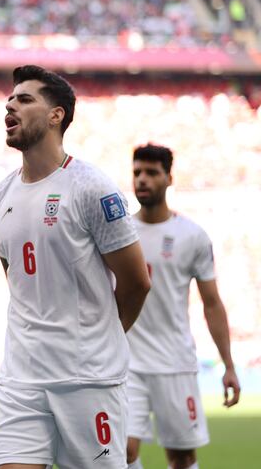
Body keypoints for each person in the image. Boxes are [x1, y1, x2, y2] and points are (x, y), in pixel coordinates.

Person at [0, 65, 151, 469]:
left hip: (87, 379)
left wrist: (99, 338)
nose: (10, 105)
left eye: (25, 99)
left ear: (56, 115)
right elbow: (17, 278)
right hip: (20, 378)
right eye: (10, 99)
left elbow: (136, 282)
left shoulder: (91, 187)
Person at [126, 144, 241, 469]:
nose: (142, 180)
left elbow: (212, 304)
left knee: (181, 458)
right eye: (137, 173)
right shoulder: (119, 232)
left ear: (169, 178)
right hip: (126, 363)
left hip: (174, 362)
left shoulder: (192, 236)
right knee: (123, 451)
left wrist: (229, 365)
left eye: (151, 173)